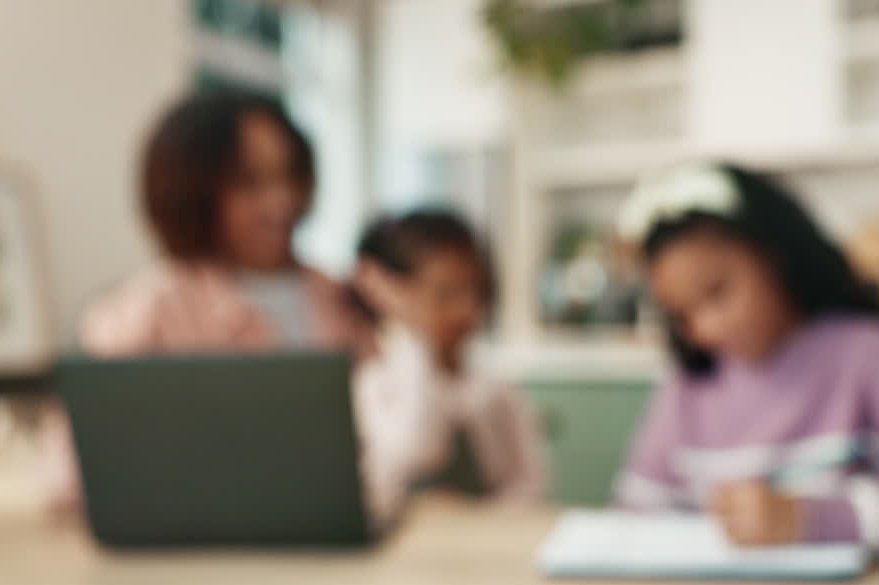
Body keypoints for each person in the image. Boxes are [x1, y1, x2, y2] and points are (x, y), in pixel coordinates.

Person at [42, 91, 369, 511]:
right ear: (194, 190)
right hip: (199, 550)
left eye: (290, 176)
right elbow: (67, 474)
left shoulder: (344, 295)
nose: (281, 200)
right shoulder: (146, 310)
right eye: (250, 183)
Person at [614, 163, 879, 553]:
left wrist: (814, 520)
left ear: (775, 255)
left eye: (718, 291)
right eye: (683, 315)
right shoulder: (688, 387)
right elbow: (632, 517)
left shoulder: (867, 355)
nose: (707, 328)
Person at [347, 210, 546, 515]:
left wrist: (479, 515)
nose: (466, 308)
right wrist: (412, 333)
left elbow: (531, 486)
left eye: (476, 290)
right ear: (398, 294)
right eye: (445, 294)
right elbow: (418, 450)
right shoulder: (374, 385)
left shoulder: (494, 388)